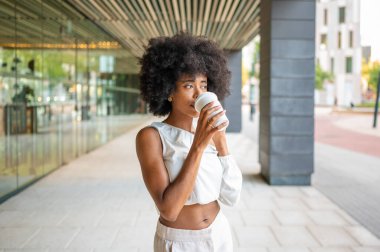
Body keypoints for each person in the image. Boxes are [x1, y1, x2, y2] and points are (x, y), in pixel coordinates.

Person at [135, 32, 243, 252]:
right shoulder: (152, 136)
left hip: (219, 233)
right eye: (188, 86)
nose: (198, 94)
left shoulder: (211, 134)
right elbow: (169, 210)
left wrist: (221, 143)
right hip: (180, 242)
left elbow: (232, 197)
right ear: (168, 91)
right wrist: (198, 145)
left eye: (203, 85)